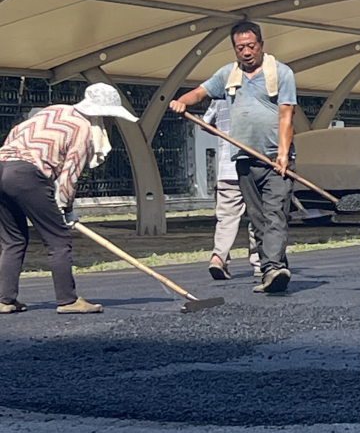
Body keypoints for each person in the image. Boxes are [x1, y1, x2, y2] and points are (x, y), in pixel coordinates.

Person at [171, 21, 297, 295]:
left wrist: (284, 154)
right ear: (235, 50)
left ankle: (274, 267)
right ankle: (272, 270)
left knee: (275, 213)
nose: (247, 52)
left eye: (251, 46)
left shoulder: (281, 73)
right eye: (240, 48)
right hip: (243, 159)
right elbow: (200, 92)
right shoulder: (228, 74)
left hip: (275, 159)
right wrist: (183, 100)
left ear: (261, 45)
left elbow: (287, 115)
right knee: (259, 217)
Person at [0, 82, 140, 314]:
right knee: (57, 239)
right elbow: (69, 176)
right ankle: (67, 300)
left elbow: (16, 133)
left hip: (2, 164)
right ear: (101, 115)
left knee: (13, 240)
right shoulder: (83, 129)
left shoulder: (53, 110)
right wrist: (66, 209)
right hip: (27, 174)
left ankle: (4, 299)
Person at [201, 95, 261, 283]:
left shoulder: (220, 99)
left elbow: (204, 124)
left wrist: (223, 133)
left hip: (227, 169)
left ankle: (219, 257)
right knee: (258, 215)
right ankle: (260, 262)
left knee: (226, 218)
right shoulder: (261, 97)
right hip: (255, 167)